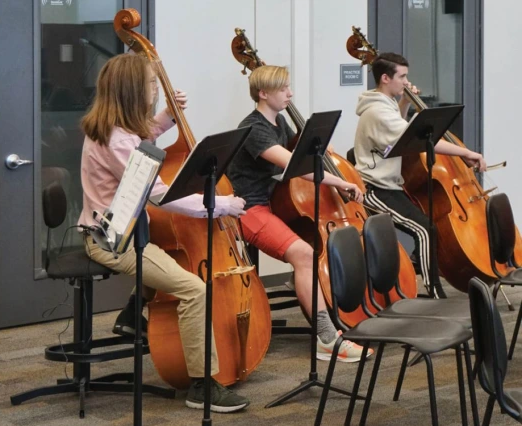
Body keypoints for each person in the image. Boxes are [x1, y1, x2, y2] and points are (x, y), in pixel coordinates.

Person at [77, 53, 250, 413]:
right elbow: (161, 196)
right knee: (194, 290)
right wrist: (220, 206)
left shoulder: (114, 129)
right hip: (114, 243)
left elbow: (140, 138)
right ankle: (202, 385)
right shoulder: (117, 141)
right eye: (151, 85)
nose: (157, 90)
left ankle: (132, 312)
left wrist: (167, 118)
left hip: (123, 230)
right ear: (131, 91)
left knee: (172, 259)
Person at [227, 65, 373, 363]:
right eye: (284, 89)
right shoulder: (254, 128)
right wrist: (343, 181)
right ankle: (327, 339)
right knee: (304, 254)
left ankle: (308, 290)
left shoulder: (279, 121)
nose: (290, 94)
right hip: (247, 209)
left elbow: (304, 149)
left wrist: (322, 148)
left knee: (309, 253)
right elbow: (297, 166)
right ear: (263, 93)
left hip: (268, 204)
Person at [353, 52, 487, 298]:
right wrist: (466, 152)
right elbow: (414, 139)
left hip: (390, 185)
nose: (406, 81)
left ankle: (422, 277)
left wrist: (404, 103)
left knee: (428, 228)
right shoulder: (377, 112)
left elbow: (398, 131)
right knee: (425, 230)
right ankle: (434, 293)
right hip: (373, 189)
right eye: (402, 76)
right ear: (385, 78)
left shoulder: (385, 105)